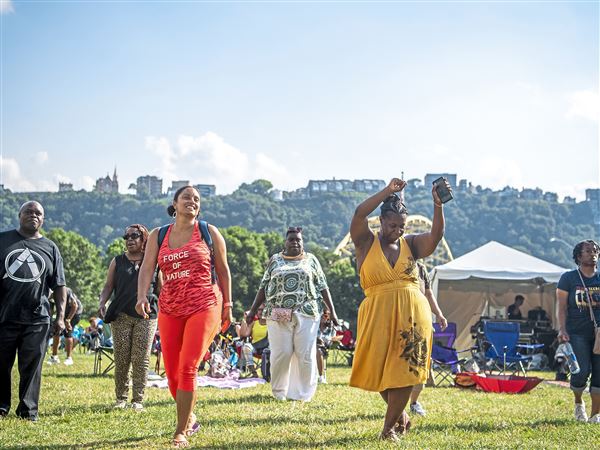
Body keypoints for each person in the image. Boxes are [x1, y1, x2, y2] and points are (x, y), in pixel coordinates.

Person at [349, 178, 448, 441]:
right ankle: (400, 415)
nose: (398, 231)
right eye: (393, 225)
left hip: (413, 314)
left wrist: (438, 205)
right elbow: (359, 213)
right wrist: (387, 193)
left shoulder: (411, 245)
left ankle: (387, 430)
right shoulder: (364, 242)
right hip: (376, 312)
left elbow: (435, 236)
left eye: (402, 226)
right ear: (380, 222)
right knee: (378, 369)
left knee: (406, 371)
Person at [136, 186, 233, 448]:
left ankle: (181, 430)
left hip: (204, 303)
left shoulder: (209, 232)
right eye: (186, 197)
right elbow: (147, 268)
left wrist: (229, 305)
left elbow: (223, 271)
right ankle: (190, 416)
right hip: (170, 307)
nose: (192, 201)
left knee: (188, 365)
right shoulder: (159, 235)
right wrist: (142, 296)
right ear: (175, 204)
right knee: (171, 373)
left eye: (196, 199)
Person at [246, 226, 339, 402]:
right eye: (292, 239)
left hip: (307, 312)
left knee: (304, 354)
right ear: (285, 242)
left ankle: (304, 394)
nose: (295, 242)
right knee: (282, 354)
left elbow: (323, 286)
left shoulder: (311, 260)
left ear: (302, 242)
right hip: (278, 312)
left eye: (298, 239)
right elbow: (263, 287)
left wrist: (332, 311)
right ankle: (280, 392)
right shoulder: (275, 260)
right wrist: (252, 310)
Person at [0, 201, 67, 421]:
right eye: (28, 212)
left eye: (38, 213)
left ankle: (28, 411)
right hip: (4, 316)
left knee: (32, 366)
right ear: (19, 215)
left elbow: (59, 286)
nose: (33, 215)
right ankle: (1, 406)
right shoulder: (3, 240)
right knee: (1, 364)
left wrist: (60, 317)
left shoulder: (50, 248)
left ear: (43, 219)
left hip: (37, 318)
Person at [98, 224, 159, 412]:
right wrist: (102, 302)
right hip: (121, 314)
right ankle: (121, 398)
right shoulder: (117, 261)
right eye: (126, 236)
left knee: (141, 359)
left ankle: (137, 400)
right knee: (122, 358)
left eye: (135, 235)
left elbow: (161, 289)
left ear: (144, 239)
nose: (130, 239)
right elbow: (109, 286)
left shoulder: (153, 261)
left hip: (146, 316)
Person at [556, 239, 600, 424]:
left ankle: (595, 414)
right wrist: (562, 329)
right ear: (578, 256)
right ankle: (578, 402)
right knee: (580, 371)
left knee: (599, 373)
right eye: (588, 250)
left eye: (596, 250)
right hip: (577, 333)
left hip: (599, 334)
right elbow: (562, 308)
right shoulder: (569, 278)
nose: (593, 253)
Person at [409, 261, 448, 417]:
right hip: (400, 321)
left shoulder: (421, 268)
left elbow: (428, 293)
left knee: (420, 363)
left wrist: (439, 314)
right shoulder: (395, 264)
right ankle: (395, 404)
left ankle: (413, 402)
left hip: (421, 323)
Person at [48, 287, 82, 366]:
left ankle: (69, 358)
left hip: (74, 312)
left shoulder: (65, 291)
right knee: (56, 331)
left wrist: (68, 320)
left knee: (67, 333)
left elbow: (75, 306)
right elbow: (51, 310)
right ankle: (54, 357)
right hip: (62, 313)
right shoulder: (50, 296)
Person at [237, 303, 269, 378]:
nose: (261, 312)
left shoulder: (271, 323)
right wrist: (245, 319)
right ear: (256, 312)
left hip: (268, 348)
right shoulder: (254, 323)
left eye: (263, 309)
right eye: (259, 310)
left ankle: (267, 374)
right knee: (246, 346)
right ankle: (253, 372)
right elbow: (244, 334)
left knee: (269, 350)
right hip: (255, 348)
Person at [316, 309, 340, 384]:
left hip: (324, 347)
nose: (323, 317)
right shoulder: (314, 326)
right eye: (322, 315)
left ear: (328, 317)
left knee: (318, 351)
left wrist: (327, 341)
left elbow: (334, 338)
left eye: (326, 316)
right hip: (312, 346)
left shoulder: (331, 328)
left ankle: (320, 377)